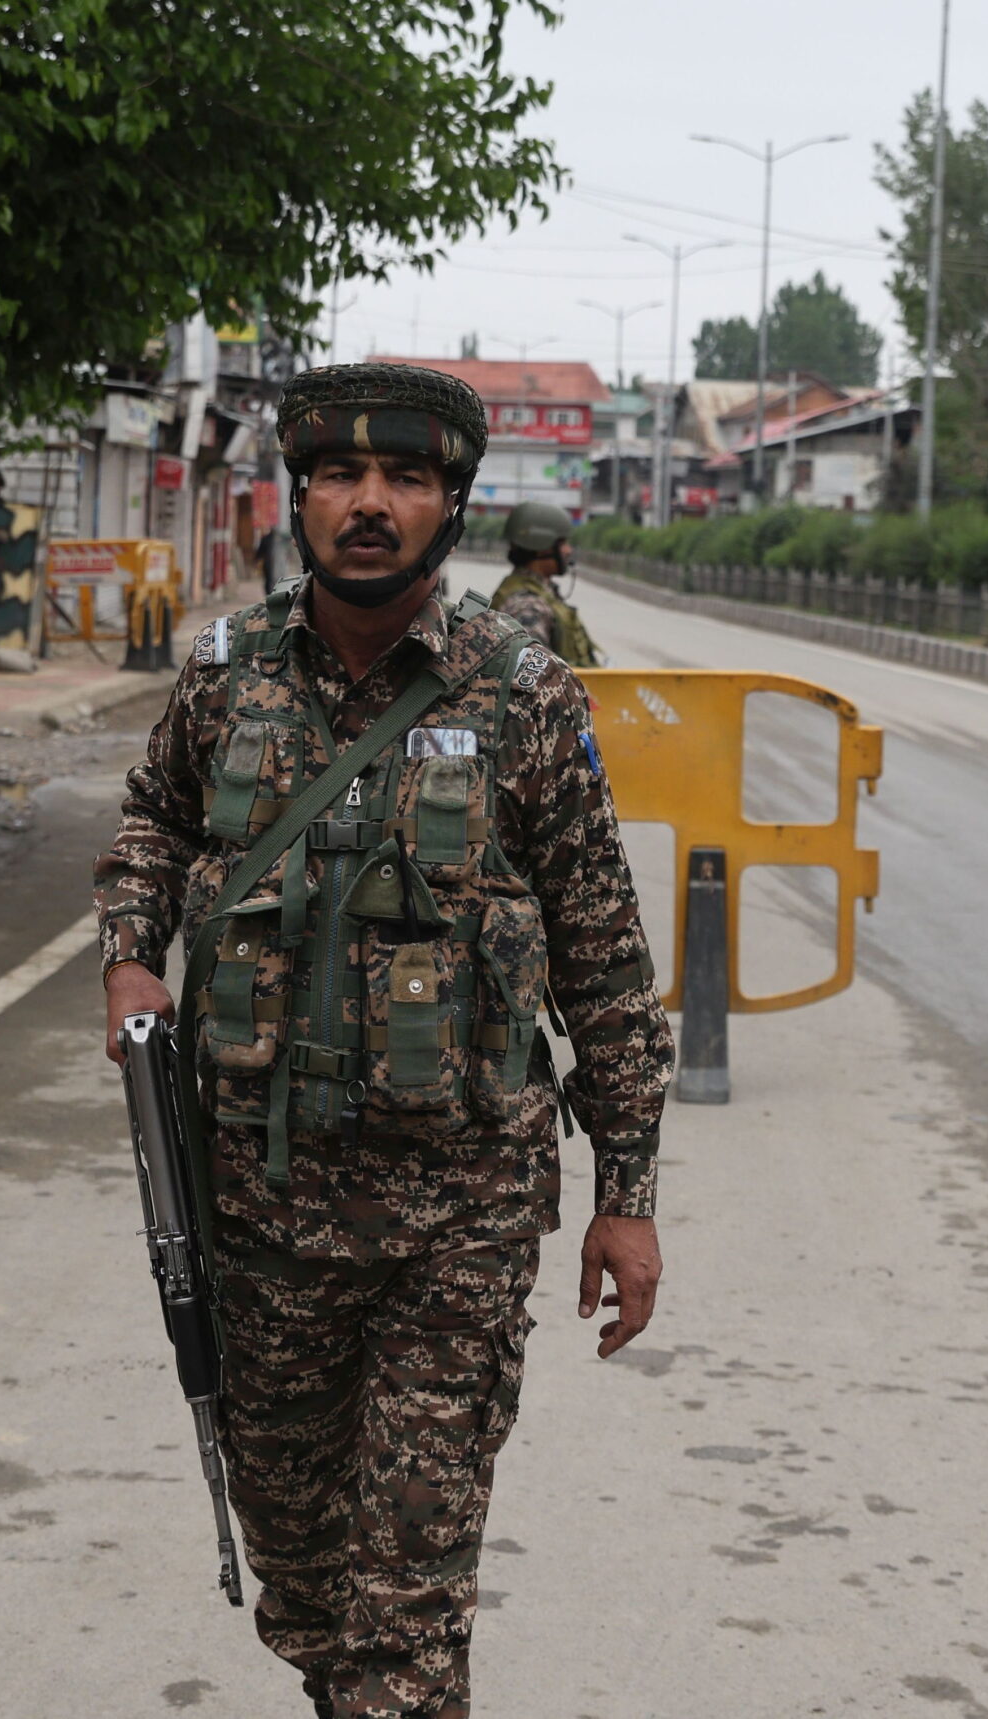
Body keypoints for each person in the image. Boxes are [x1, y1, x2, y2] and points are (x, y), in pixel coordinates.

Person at [93, 362, 673, 1718]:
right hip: (258, 1213)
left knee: (404, 1612)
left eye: (406, 479)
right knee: (303, 1584)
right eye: (341, 476)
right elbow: (153, 817)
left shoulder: (526, 695)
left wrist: (628, 1194)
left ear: (449, 506)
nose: (370, 504)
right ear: (297, 498)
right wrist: (129, 951)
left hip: (455, 1227)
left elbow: (603, 954)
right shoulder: (224, 674)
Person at [489, 499, 600, 666]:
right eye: (562, 543)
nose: (568, 550)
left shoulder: (538, 591)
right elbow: (530, 671)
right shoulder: (527, 605)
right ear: (542, 546)